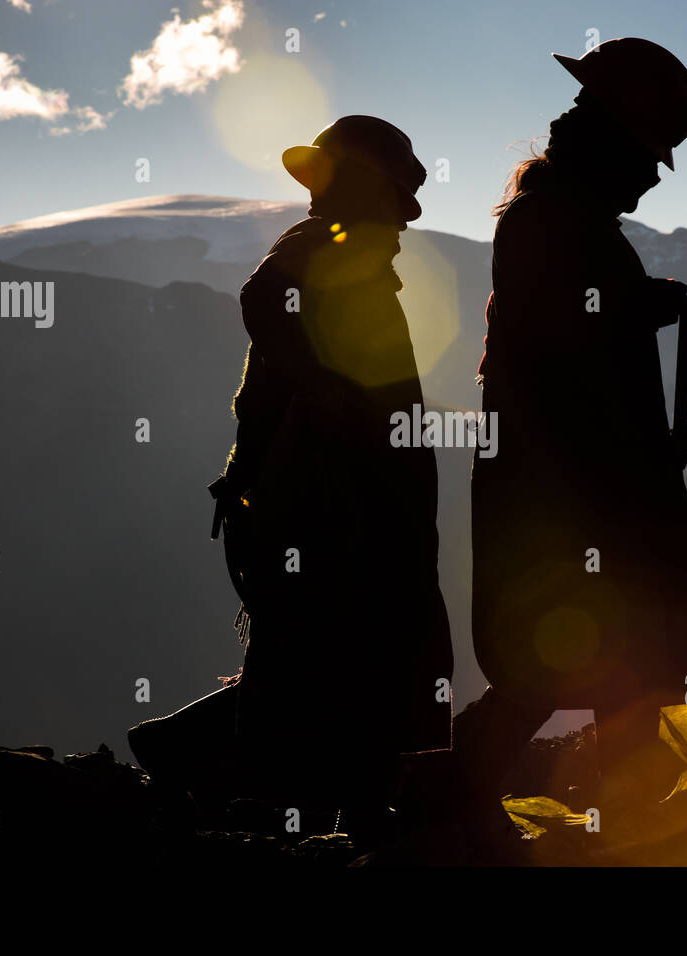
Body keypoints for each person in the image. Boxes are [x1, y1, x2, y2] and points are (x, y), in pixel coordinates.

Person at [130, 116, 453, 840]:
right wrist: (326, 388)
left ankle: (248, 779)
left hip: (332, 504)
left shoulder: (336, 257)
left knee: (321, 654)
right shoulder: (318, 251)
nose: (405, 221)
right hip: (325, 509)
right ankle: (322, 814)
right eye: (396, 200)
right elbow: (264, 297)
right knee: (342, 652)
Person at [459, 38, 687, 829]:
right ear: (616, 138)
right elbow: (565, 339)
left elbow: (563, 325)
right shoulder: (557, 221)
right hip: (582, 488)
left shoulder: (555, 215)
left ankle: (467, 802)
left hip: (577, 484)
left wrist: (634, 305)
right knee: (615, 652)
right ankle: (624, 821)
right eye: (648, 155)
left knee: (599, 655)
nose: (650, 176)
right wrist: (636, 310)